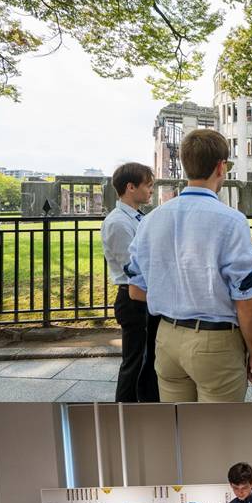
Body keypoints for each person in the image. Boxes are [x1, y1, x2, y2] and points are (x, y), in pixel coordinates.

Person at [126, 128, 252, 401]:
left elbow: (135, 290)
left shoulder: (150, 220)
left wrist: (174, 295)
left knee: (180, 432)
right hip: (215, 341)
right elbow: (246, 300)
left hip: (166, 339)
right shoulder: (231, 220)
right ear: (221, 167)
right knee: (219, 437)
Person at [102, 162, 158, 402]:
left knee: (147, 361)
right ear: (130, 187)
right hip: (133, 298)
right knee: (135, 363)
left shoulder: (135, 217)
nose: (151, 190)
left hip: (142, 296)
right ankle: (124, 411)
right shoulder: (118, 223)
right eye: (148, 185)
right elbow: (137, 268)